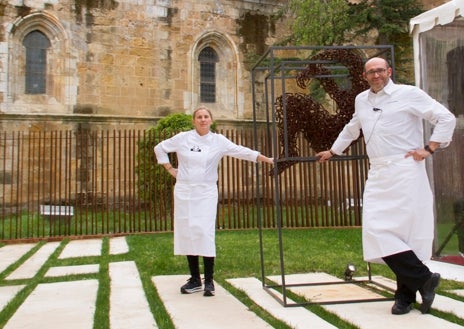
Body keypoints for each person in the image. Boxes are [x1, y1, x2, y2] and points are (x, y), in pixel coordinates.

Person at [316, 57, 456, 315]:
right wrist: (334, 151)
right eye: (371, 72)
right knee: (375, 229)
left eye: (380, 70)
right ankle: (424, 279)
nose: (376, 75)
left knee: (405, 234)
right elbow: (352, 128)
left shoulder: (408, 94)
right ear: (364, 76)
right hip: (378, 172)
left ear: (389, 71)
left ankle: (404, 296)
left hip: (406, 170)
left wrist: (429, 148)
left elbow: (445, 118)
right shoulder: (361, 100)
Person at [154, 106, 274, 297]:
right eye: (199, 117)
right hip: (184, 191)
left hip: (206, 192)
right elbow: (160, 148)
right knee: (187, 231)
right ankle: (195, 279)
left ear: (211, 120)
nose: (202, 119)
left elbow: (241, 151)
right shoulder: (183, 138)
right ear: (194, 121)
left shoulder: (218, 141)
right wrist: (169, 168)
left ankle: (209, 280)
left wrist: (265, 159)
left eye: (206, 116)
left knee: (204, 231)